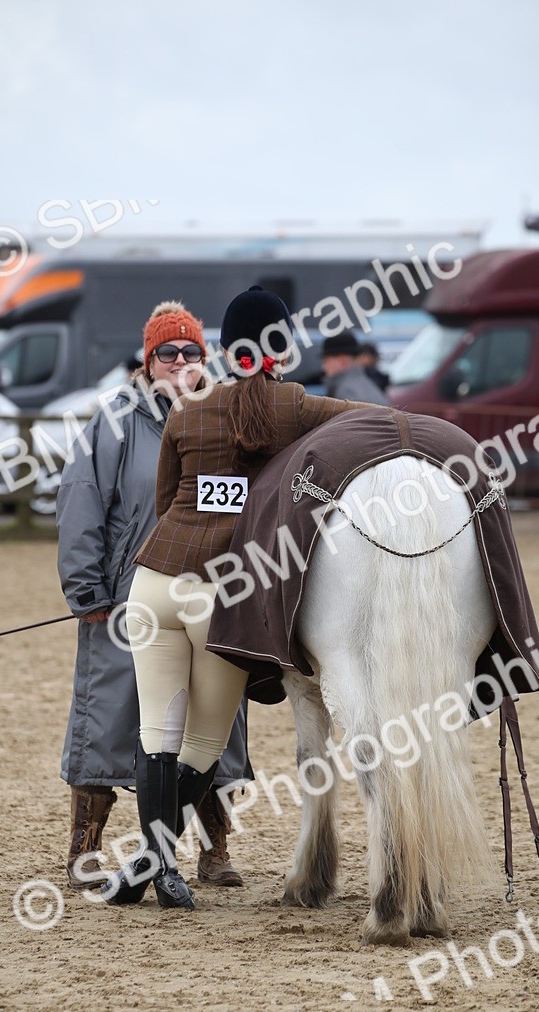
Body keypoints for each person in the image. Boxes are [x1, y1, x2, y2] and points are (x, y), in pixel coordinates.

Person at [101, 285, 369, 911]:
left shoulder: (187, 410)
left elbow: (167, 502)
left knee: (156, 737)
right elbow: (363, 421)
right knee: (203, 747)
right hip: (221, 595)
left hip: (154, 584)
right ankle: (157, 861)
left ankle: (153, 868)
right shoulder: (291, 405)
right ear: (282, 349)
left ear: (223, 350)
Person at [57, 301, 251, 894]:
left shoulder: (223, 416)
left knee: (215, 721)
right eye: (169, 351)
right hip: (126, 599)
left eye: (193, 351)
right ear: (149, 359)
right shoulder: (114, 421)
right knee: (108, 716)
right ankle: (85, 848)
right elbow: (82, 501)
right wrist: (86, 586)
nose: (182, 362)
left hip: (210, 593)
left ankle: (213, 847)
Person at [321, 331, 388, 404]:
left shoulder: (347, 393)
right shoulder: (367, 385)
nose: (323, 368)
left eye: (326, 361)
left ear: (342, 362)